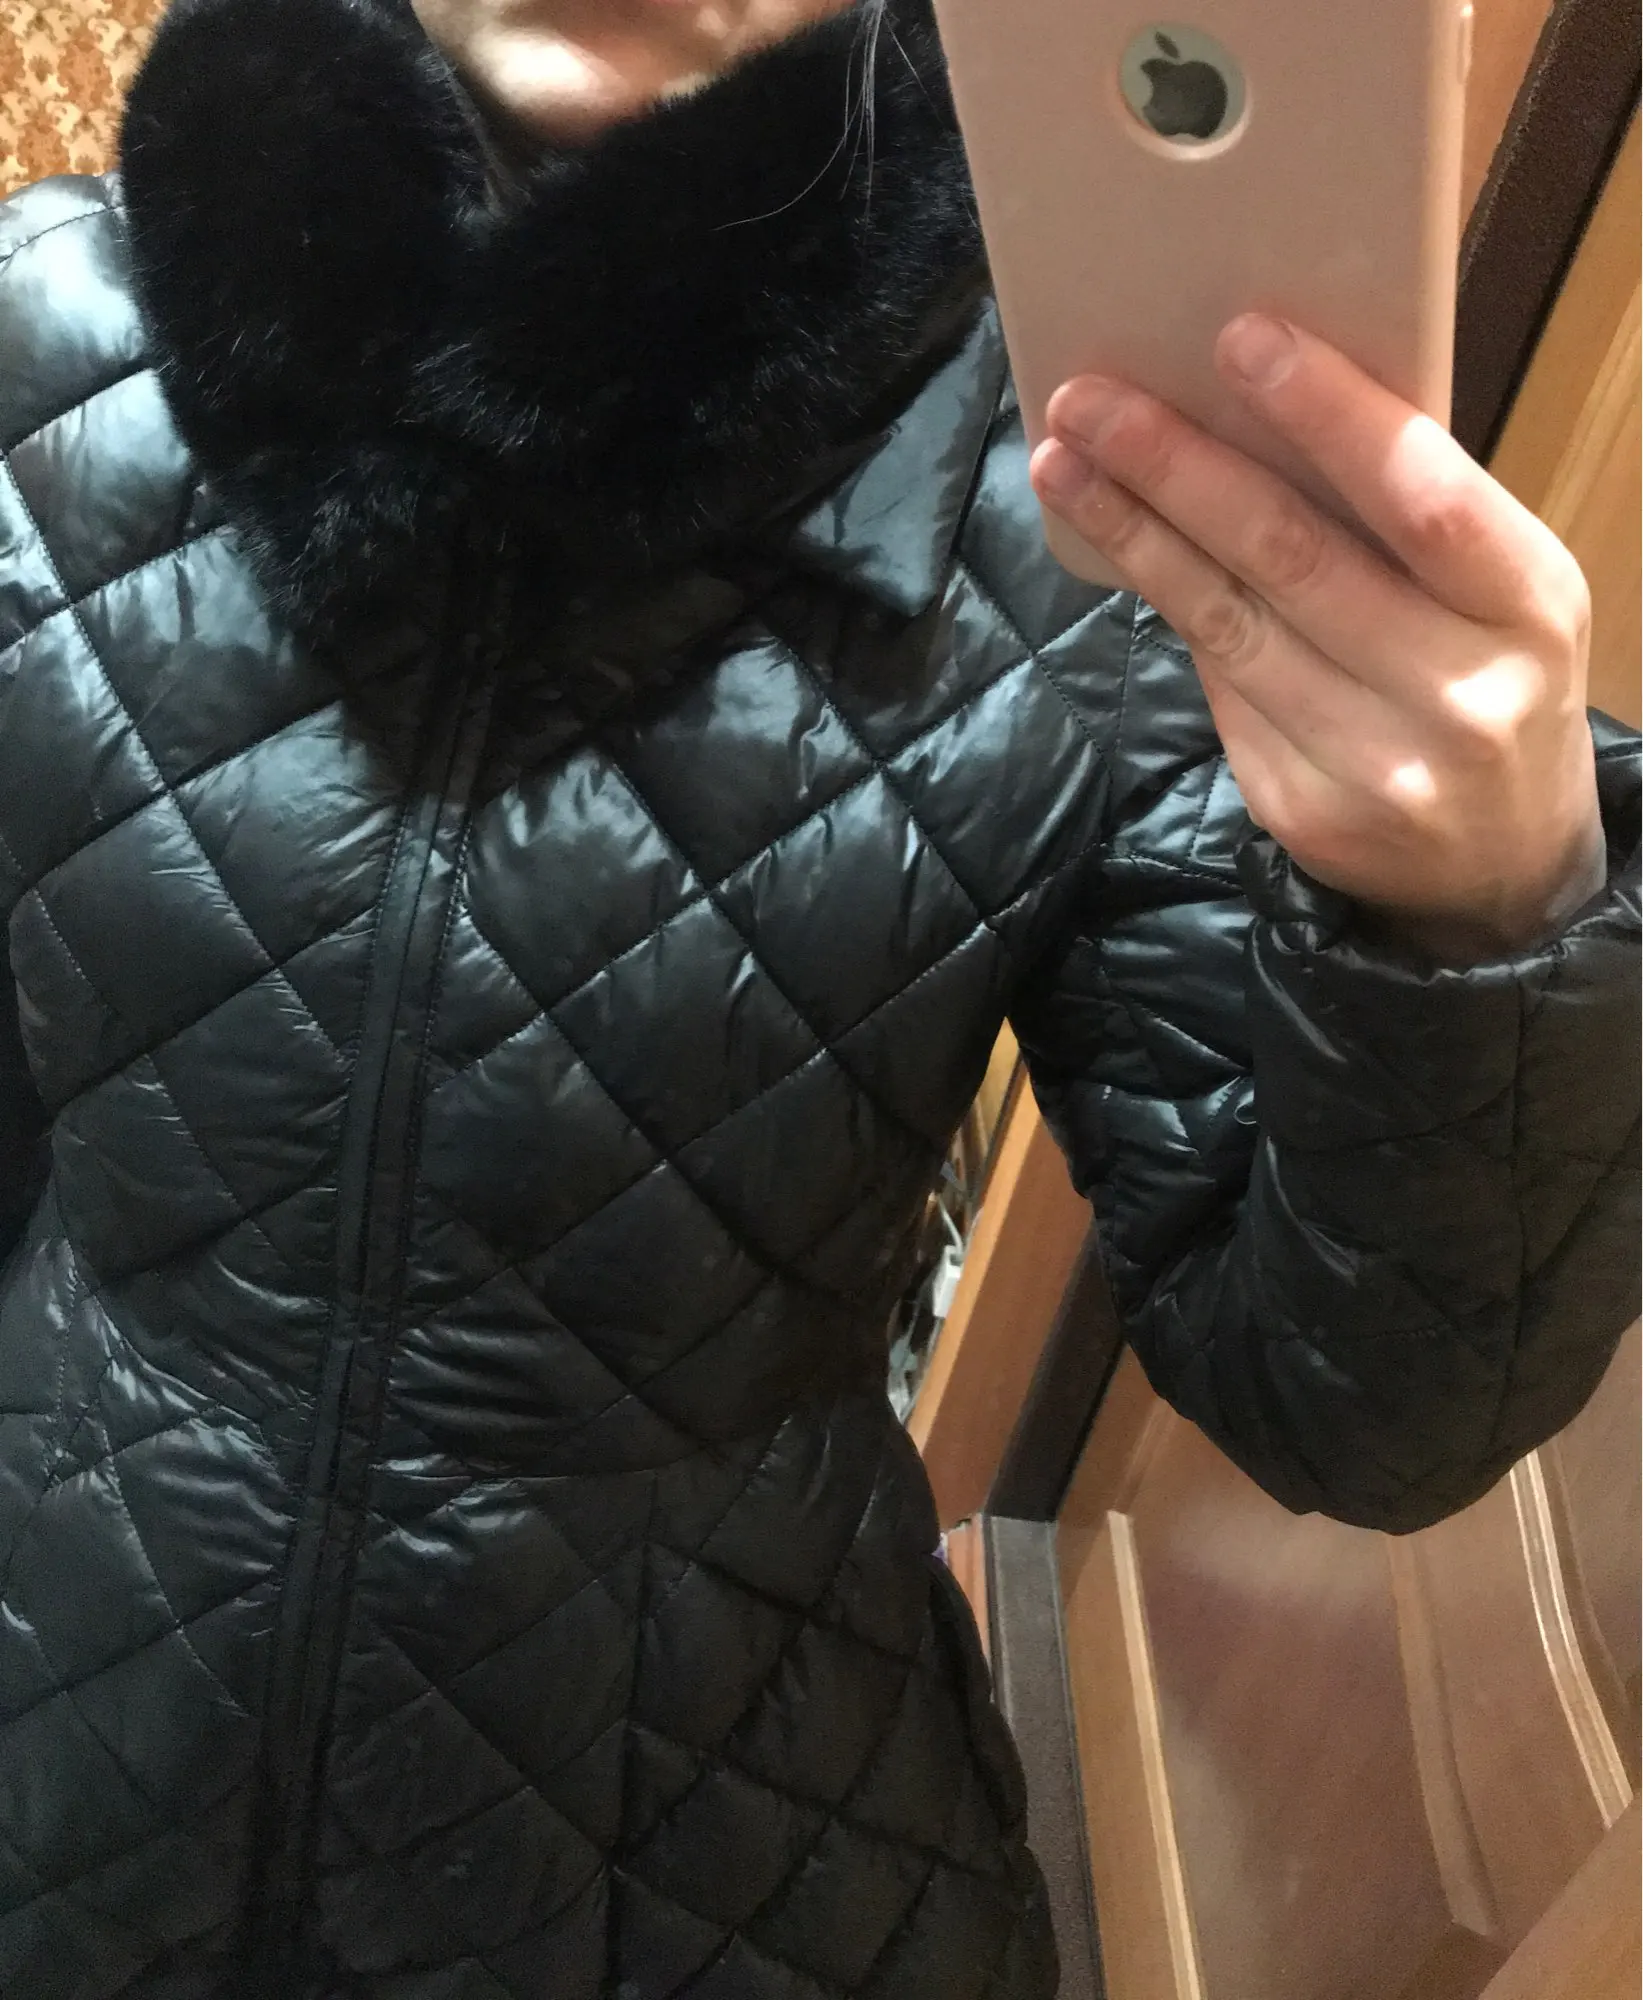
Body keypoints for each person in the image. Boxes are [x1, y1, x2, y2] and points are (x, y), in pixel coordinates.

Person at [0, 0, 1635, 1991]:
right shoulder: (38, 340)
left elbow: (1363, 1413)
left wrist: (1477, 931)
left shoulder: (1096, 514)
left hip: (712, 1837)